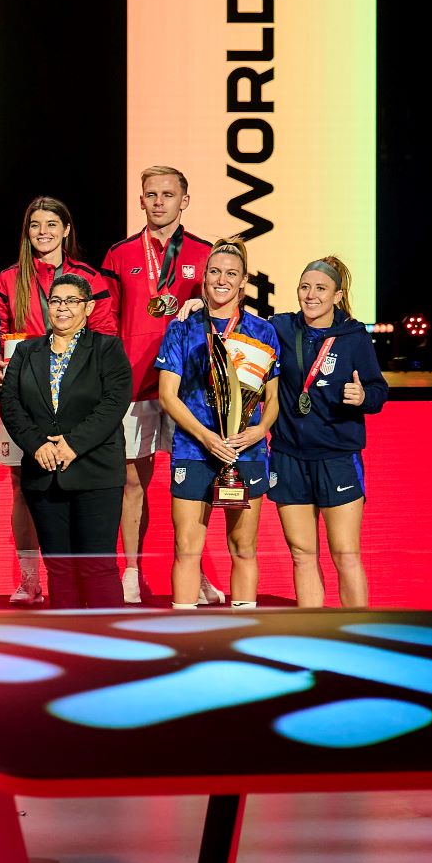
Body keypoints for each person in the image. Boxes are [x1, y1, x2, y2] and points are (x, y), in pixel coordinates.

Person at [0, 197, 116, 604]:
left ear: (66, 229)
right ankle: (30, 579)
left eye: (51, 224)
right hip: (26, 397)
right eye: (34, 225)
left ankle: (100, 576)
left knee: (81, 476)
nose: (42, 232)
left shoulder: (89, 278)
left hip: (76, 398)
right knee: (23, 483)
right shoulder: (9, 278)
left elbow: (105, 332)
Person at [101, 165, 215, 603]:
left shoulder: (205, 253)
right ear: (141, 200)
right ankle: (131, 571)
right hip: (135, 383)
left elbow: (223, 311)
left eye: (168, 194)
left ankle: (195, 571)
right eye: (151, 194)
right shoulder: (120, 254)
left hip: (192, 387)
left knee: (196, 481)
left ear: (184, 201)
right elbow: (105, 320)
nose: (159, 202)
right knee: (133, 483)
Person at [156, 239, 280, 609]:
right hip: (195, 449)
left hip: (247, 450)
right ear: (204, 278)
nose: (221, 280)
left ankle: (242, 631)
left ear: (243, 282)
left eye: (231, 273)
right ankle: (184, 633)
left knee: (243, 547)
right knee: (186, 547)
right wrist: (207, 437)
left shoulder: (263, 331)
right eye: (214, 272)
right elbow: (168, 395)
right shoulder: (183, 329)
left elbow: (272, 399)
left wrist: (260, 430)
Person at [0, 272, 132, 608]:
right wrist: (38, 445)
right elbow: (10, 404)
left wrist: (72, 444)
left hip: (95, 472)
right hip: (44, 472)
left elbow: (114, 403)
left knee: (96, 566)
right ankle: (67, 637)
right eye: (56, 301)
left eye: (72, 301)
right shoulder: (26, 351)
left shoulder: (107, 348)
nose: (62, 308)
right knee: (59, 568)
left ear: (88, 307)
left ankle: (108, 638)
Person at [270, 256, 386, 607]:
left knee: (345, 553)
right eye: (305, 287)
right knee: (302, 554)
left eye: (321, 288)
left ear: (337, 295)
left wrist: (364, 396)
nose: (311, 295)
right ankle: (313, 630)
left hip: (337, 457)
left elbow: (378, 390)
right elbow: (234, 320)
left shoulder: (354, 337)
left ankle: (357, 630)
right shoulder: (282, 327)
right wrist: (198, 305)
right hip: (289, 456)